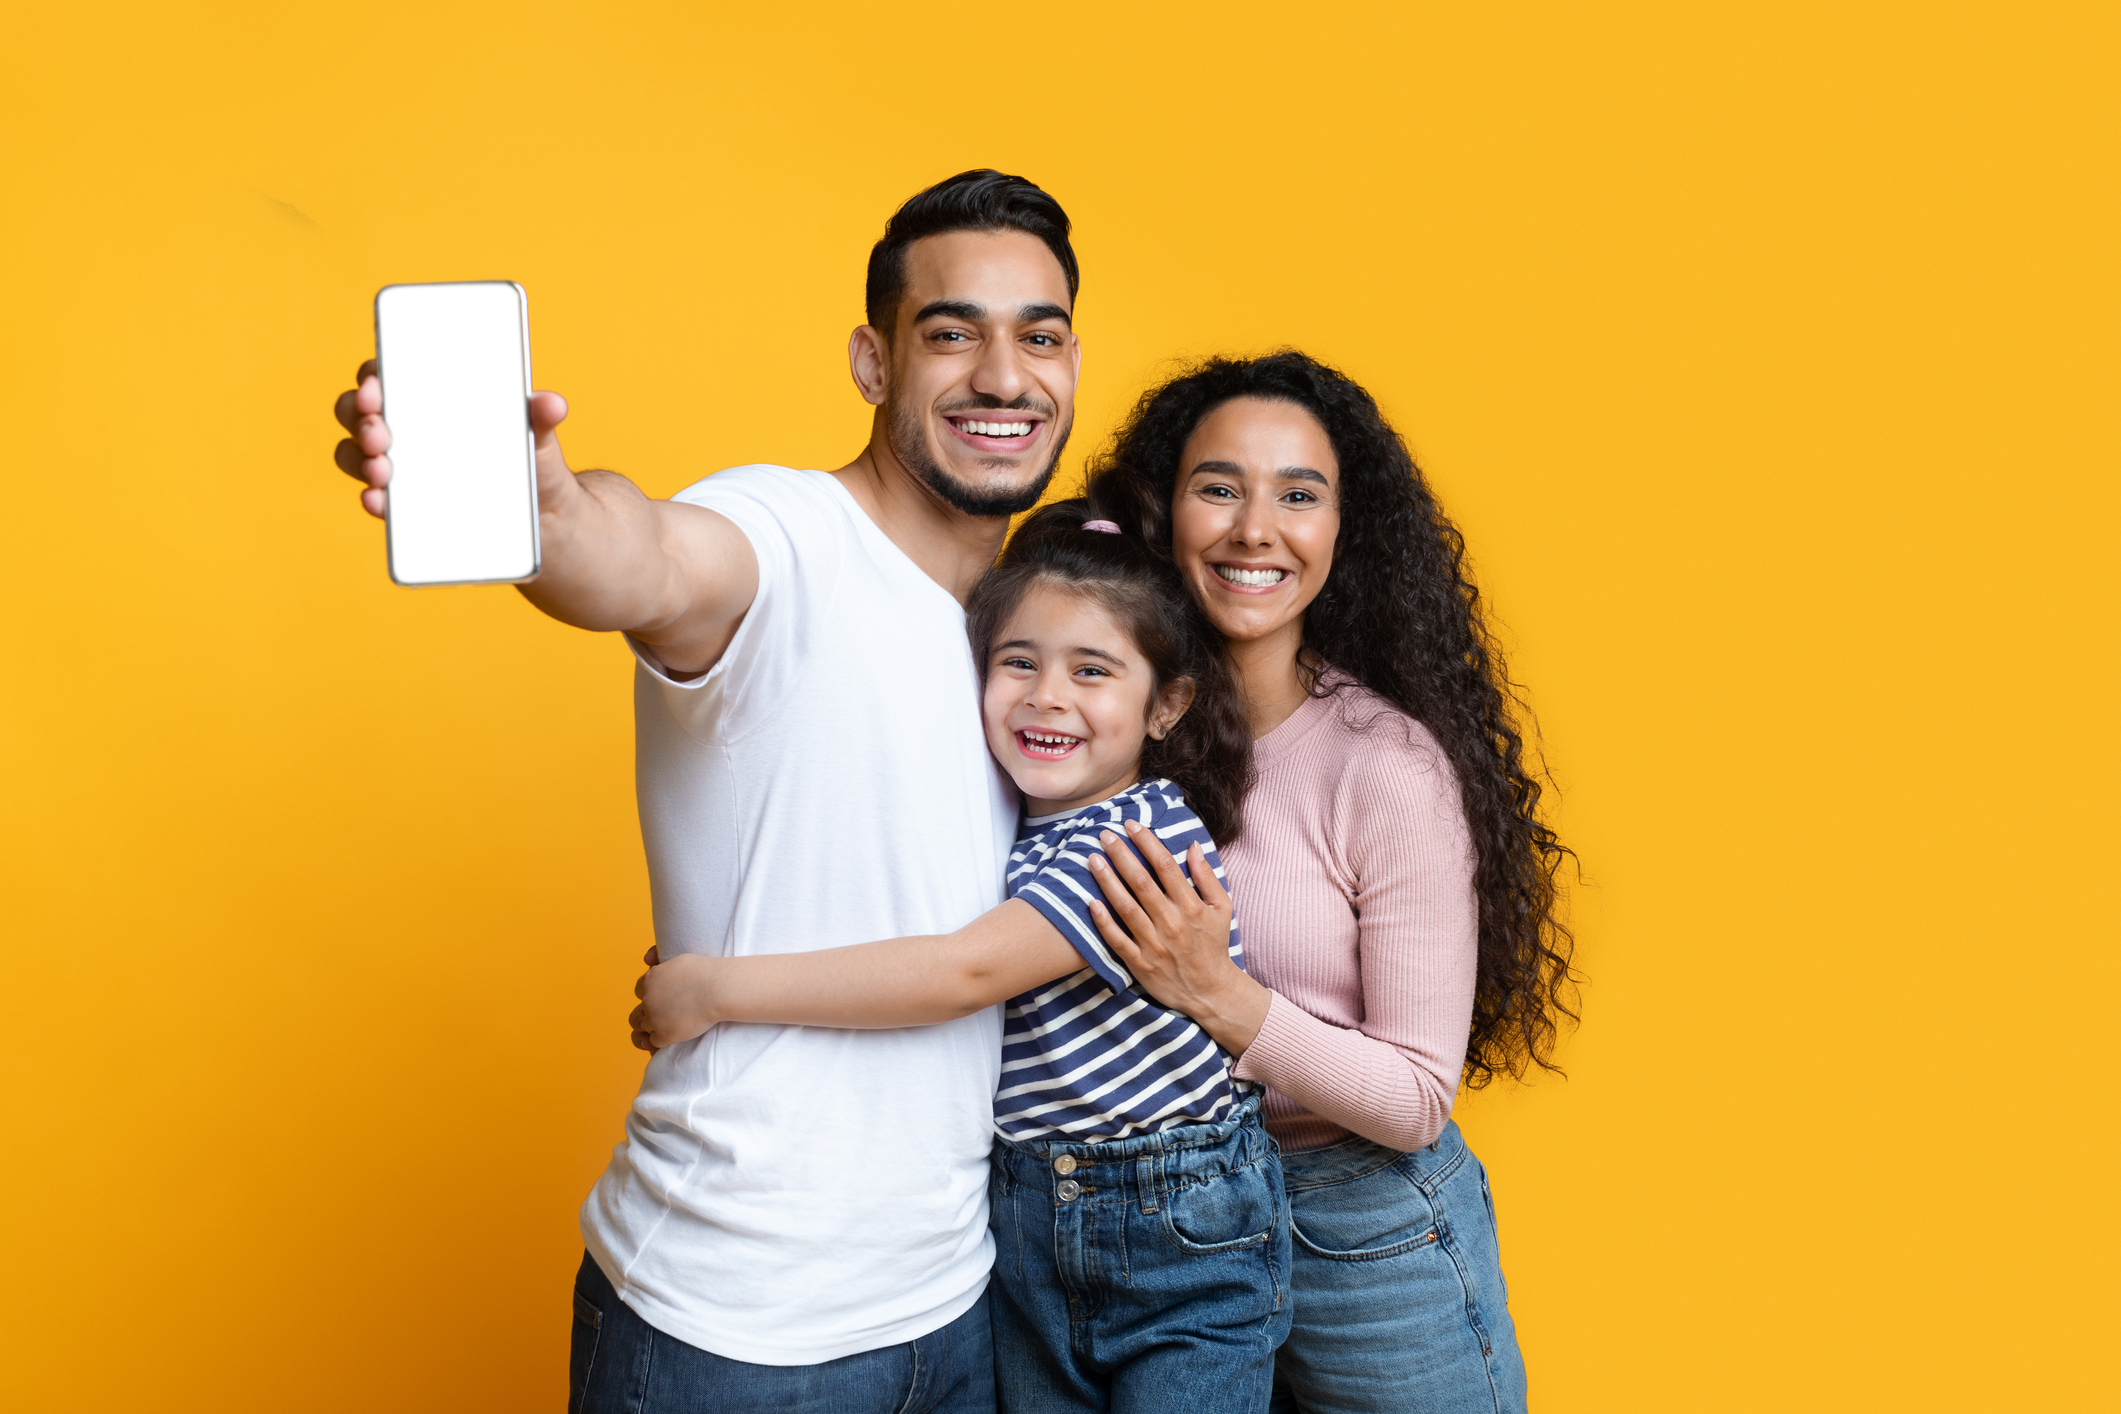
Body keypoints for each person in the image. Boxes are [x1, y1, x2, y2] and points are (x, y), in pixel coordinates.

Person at [330, 170, 1088, 1413]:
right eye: (952, 332)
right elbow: (648, 557)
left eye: (1039, 335)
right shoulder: (786, 535)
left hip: (955, 1309)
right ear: (873, 361)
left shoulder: (1039, 632)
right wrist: (550, 512)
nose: (1004, 375)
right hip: (732, 1333)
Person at [629, 500, 1291, 1413]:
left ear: (1166, 706)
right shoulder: (1011, 817)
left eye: (1091, 671)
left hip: (1173, 1226)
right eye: (1017, 663)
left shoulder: (1134, 840)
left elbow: (962, 972)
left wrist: (716, 987)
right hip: (1025, 1216)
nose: (1046, 695)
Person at [1065, 352, 1577, 1414]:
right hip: (1164, 1229)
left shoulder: (1384, 768)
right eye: (1219, 487)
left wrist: (1215, 990)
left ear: (1344, 534)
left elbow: (1417, 1097)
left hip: (1360, 1230)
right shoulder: (1113, 738)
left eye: (1299, 494)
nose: (1257, 528)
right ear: (1166, 515)